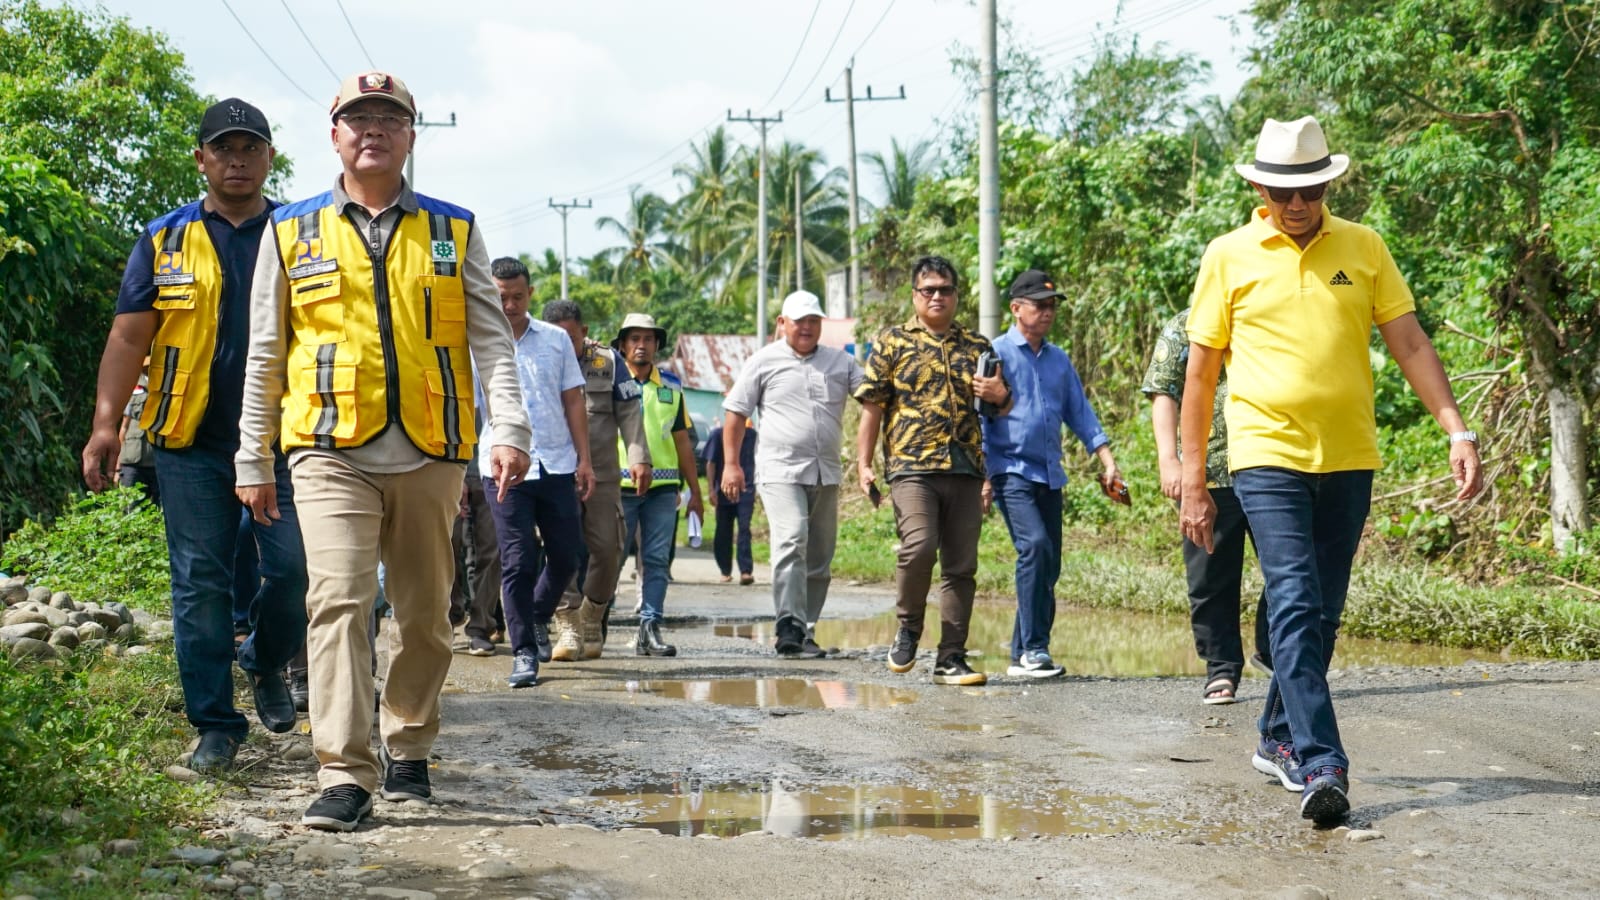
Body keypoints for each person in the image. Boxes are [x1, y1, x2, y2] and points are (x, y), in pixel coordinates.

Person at [234, 71, 532, 832]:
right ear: (334, 134)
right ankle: (343, 770)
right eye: (357, 118)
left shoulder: (452, 229)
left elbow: (491, 341)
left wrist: (510, 430)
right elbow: (266, 352)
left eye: (389, 119)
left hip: (432, 448)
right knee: (336, 602)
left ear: (410, 136)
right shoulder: (290, 230)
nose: (373, 129)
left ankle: (409, 744)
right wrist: (251, 456)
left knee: (427, 614)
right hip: (327, 446)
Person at [1181, 116, 1483, 826]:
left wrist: (1456, 428)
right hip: (1265, 453)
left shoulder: (1364, 247)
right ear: (1258, 186)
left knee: (1323, 609)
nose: (1298, 202)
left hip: (1349, 456)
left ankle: (1277, 736)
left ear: (1327, 185)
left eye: (1311, 189)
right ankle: (1322, 762)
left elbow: (1408, 340)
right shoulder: (1229, 255)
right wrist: (1194, 478)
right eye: (1285, 190)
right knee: (1292, 595)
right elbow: (1200, 375)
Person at [81, 98, 308, 773]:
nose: (237, 159)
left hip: (283, 441)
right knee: (199, 586)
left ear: (270, 157)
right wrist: (104, 427)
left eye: (250, 148)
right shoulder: (163, 239)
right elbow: (129, 337)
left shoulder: (300, 233)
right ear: (201, 158)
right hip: (189, 442)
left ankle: (264, 659)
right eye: (223, 148)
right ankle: (215, 725)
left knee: (296, 572)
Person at [854, 256, 1011, 686]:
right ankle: (908, 628)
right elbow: (872, 407)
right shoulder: (891, 343)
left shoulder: (978, 347)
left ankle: (951, 657)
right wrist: (863, 464)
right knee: (919, 546)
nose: (937, 296)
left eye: (945, 290)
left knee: (961, 566)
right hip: (911, 467)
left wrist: (1000, 394)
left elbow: (1001, 409)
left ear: (957, 296)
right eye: (929, 290)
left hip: (966, 469)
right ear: (915, 296)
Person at [981, 270, 1121, 680]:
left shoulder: (1058, 360)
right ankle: (1036, 648)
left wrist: (1107, 459)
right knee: (1035, 547)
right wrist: (985, 477)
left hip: (1049, 474)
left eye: (1052, 306)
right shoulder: (996, 354)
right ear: (1016, 308)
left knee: (1049, 564)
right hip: (1010, 470)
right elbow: (981, 419)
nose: (1047, 313)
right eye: (1039, 305)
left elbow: (1080, 412)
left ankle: (1020, 653)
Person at [723, 290, 863, 658]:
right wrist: (731, 464)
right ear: (782, 324)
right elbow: (736, 413)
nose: (807, 328)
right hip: (780, 470)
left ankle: (806, 629)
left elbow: (872, 397)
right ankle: (787, 625)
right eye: (799, 321)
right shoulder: (763, 361)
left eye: (814, 321)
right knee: (791, 538)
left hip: (826, 471)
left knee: (819, 556)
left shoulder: (840, 362)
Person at [1143, 309, 1272, 704]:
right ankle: (1221, 668)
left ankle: (1275, 652)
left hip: (1272, 463)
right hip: (1207, 471)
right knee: (1210, 577)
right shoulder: (1186, 324)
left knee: (1290, 565)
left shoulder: (1266, 314)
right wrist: (1170, 460)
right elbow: (1164, 391)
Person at [479, 257, 593, 687]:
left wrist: (585, 458)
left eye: (517, 296)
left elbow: (573, 401)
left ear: (530, 295)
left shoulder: (555, 341)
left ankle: (538, 615)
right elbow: (471, 409)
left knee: (568, 555)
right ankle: (524, 651)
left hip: (557, 461)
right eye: (500, 296)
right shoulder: (477, 340)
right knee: (518, 559)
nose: (508, 305)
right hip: (501, 465)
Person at [543, 299, 651, 662]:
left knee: (609, 548)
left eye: (570, 337)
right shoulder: (538, 359)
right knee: (559, 550)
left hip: (602, 474)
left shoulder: (609, 362)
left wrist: (639, 458)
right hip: (555, 473)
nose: (563, 344)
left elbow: (631, 413)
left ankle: (593, 612)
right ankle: (569, 623)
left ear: (584, 332)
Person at [612, 312, 704, 657]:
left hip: (664, 489)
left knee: (656, 560)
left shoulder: (672, 387)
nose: (641, 345)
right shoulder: (610, 382)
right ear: (622, 345)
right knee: (612, 558)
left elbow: (682, 441)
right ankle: (596, 623)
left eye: (648, 339)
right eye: (634, 339)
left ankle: (649, 627)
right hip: (619, 487)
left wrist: (695, 491)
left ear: (656, 346)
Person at [450, 425, 502, 658]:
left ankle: (480, 626)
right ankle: (451, 613)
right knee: (446, 547)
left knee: (491, 550)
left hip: (492, 472)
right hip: (451, 467)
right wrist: (457, 474)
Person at [702, 417, 756, 586]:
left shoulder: (753, 436)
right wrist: (711, 489)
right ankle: (725, 570)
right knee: (723, 530)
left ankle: (746, 571)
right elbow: (710, 463)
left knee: (744, 528)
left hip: (746, 489)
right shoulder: (718, 434)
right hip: (723, 490)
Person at [117, 363, 160, 504]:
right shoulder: (133, 387)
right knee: (129, 507)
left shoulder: (167, 386)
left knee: (160, 511)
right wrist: (117, 467)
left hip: (157, 461)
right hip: (132, 461)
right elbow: (124, 426)